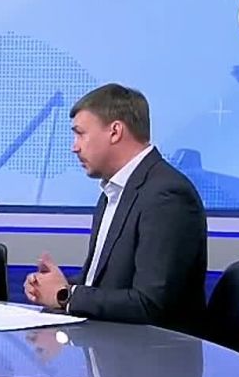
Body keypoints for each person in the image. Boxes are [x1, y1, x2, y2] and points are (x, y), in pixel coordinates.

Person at [24, 83, 208, 335]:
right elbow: (107, 286)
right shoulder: (113, 193)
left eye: (80, 134)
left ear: (115, 132)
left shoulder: (166, 195)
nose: (74, 147)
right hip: (109, 342)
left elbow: (150, 304)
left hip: (152, 354)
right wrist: (57, 286)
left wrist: (66, 296)